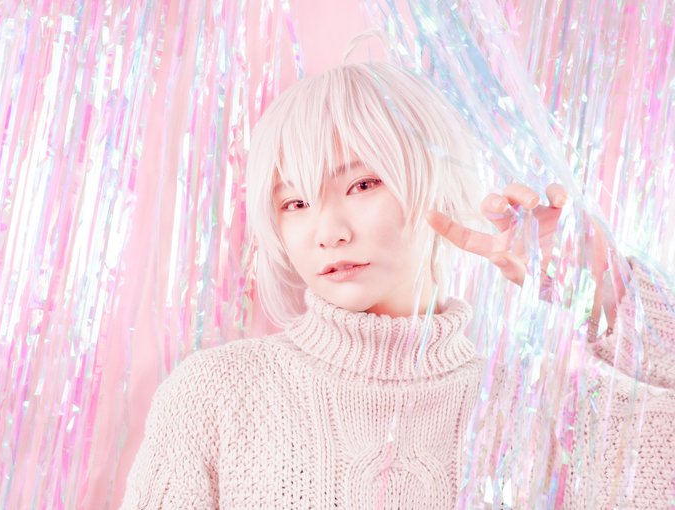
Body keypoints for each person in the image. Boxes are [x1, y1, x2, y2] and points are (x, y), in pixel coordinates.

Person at [119, 61, 675, 509]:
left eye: (362, 184)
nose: (329, 232)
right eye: (295, 202)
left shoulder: (539, 412)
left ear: (438, 184)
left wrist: (609, 288)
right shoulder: (216, 395)